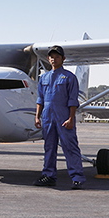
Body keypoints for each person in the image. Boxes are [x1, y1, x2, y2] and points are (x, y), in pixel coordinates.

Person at [34, 45, 85, 189]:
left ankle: (77, 177)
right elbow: (40, 99)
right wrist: (37, 117)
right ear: (48, 59)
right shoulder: (43, 77)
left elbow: (73, 100)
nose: (53, 59)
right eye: (51, 57)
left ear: (63, 59)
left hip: (63, 116)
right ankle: (48, 175)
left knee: (70, 146)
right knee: (49, 147)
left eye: (57, 57)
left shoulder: (69, 77)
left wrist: (71, 118)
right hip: (47, 116)